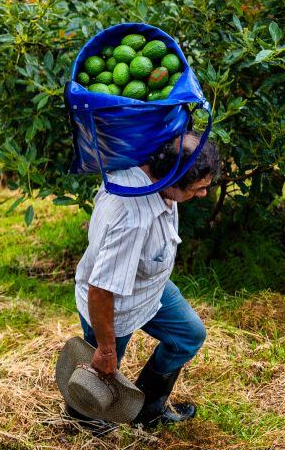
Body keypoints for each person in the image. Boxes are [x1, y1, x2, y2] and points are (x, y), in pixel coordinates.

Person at [67, 133, 221, 434]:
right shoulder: (132, 220)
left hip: (149, 289)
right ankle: (82, 417)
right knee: (99, 373)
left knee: (188, 335)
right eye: (198, 189)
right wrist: (107, 349)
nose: (203, 194)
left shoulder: (156, 173)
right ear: (172, 179)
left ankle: (148, 410)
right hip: (114, 309)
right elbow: (101, 290)